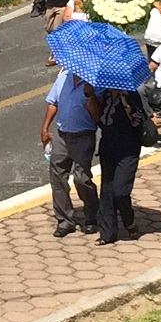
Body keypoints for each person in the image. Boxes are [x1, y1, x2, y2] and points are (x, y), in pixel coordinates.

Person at [89, 83, 158, 244]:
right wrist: (91, 95)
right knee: (106, 191)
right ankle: (107, 234)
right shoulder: (105, 95)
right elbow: (99, 119)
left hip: (127, 151)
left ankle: (129, 221)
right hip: (108, 149)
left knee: (120, 191)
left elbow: (136, 122)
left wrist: (125, 102)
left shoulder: (131, 96)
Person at [41, 69, 99, 238]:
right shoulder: (63, 77)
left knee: (82, 178)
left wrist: (91, 95)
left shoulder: (93, 82)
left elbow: (97, 115)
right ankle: (65, 220)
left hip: (83, 136)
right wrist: (45, 128)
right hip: (62, 135)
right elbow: (53, 103)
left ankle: (91, 216)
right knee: (57, 177)